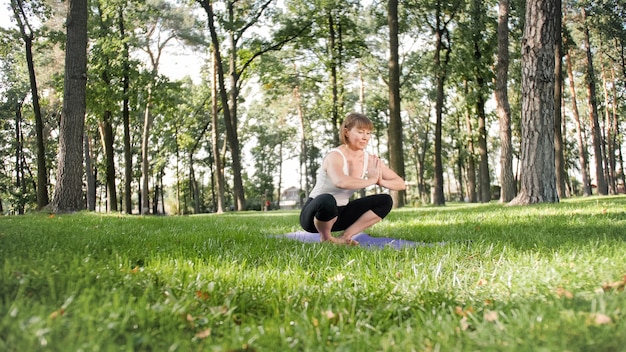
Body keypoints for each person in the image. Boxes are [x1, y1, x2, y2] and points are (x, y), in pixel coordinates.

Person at [299, 112, 406, 245]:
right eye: (361, 132)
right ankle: (326, 239)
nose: (365, 137)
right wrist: (371, 180)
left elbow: (401, 184)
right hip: (315, 215)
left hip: (341, 214)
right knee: (327, 199)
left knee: (385, 200)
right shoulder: (335, 156)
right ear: (346, 132)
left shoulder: (369, 159)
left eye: (368, 133)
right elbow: (340, 182)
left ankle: (345, 237)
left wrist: (380, 180)